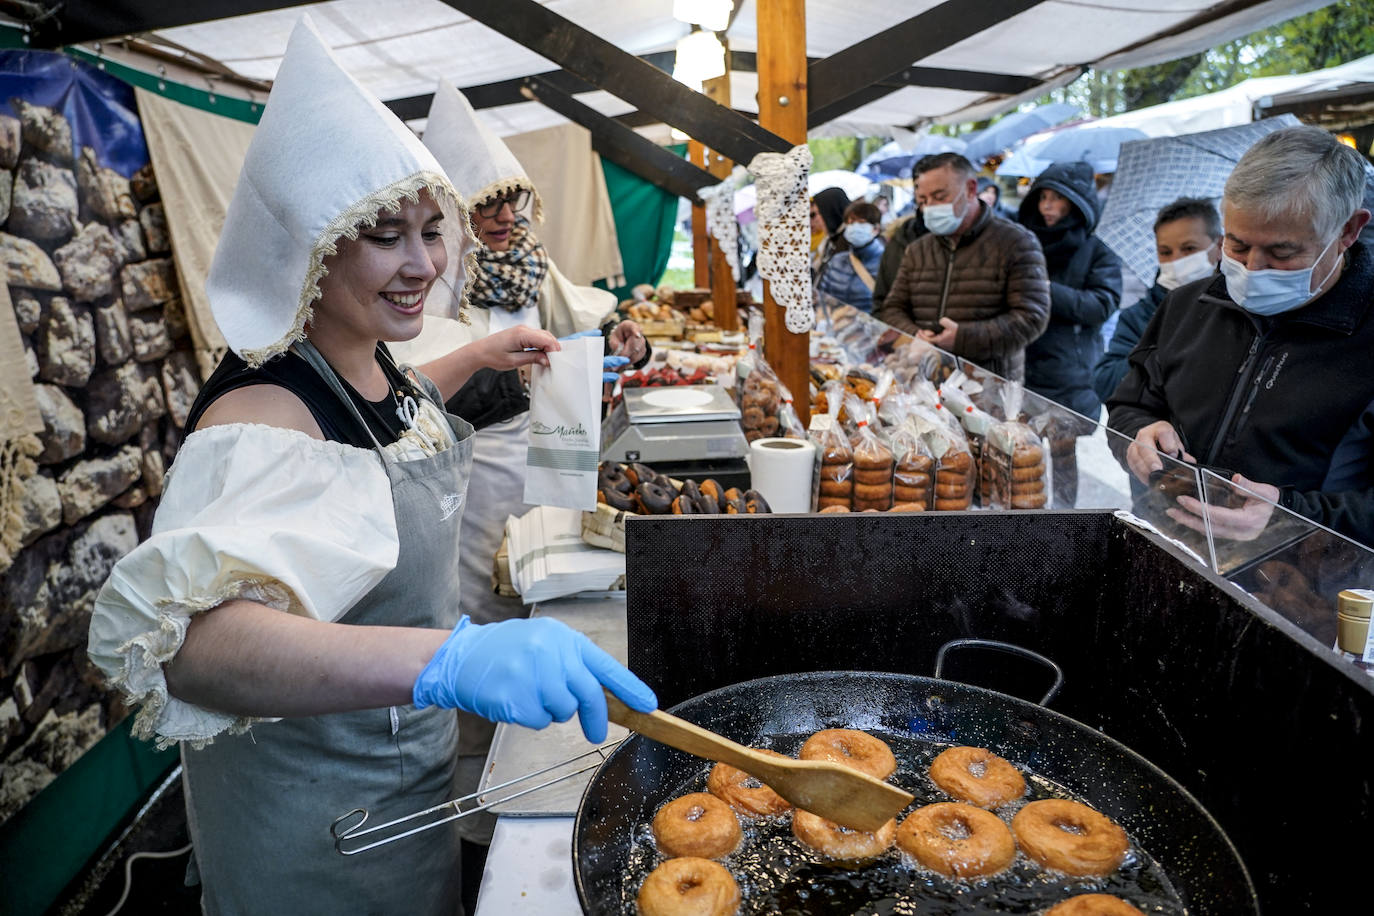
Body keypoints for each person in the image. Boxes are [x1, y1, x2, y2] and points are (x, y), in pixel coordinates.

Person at [85, 20, 656, 914]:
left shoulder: (362, 360)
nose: (424, 264)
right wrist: (448, 661)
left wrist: (479, 356)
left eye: (434, 232)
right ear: (313, 246)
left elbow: (369, 435)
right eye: (387, 236)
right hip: (316, 834)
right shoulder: (261, 413)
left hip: (398, 791)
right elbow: (198, 648)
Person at [386, 79, 647, 888]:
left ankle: (546, 758)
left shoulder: (532, 266)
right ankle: (477, 804)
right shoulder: (433, 282)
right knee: (477, 610)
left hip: (540, 454)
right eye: (486, 209)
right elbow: (409, 387)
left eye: (512, 206)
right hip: (467, 472)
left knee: (545, 585)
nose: (503, 221)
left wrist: (619, 337)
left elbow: (581, 320)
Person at [1108, 125, 1374, 546]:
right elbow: (1128, 405)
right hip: (1165, 547)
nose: (1252, 268)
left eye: (1282, 253)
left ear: (1347, 231)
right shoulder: (1186, 304)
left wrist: (1288, 516)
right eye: (1236, 246)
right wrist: (1137, 435)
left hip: (1304, 590)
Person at [875, 152, 1050, 380]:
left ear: (970, 189)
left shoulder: (1016, 242)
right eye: (924, 200)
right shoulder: (918, 249)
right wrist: (914, 334)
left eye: (939, 196)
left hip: (986, 387)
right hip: (923, 380)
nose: (930, 208)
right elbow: (893, 307)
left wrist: (963, 338)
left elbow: (1032, 318)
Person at [1018, 161, 1123, 420]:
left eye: (1056, 198)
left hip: (1070, 376)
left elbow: (1102, 304)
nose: (1046, 206)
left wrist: (1045, 289)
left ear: (1076, 202)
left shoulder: (1098, 247)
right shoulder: (1026, 241)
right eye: (1042, 197)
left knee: (1062, 453)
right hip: (1022, 366)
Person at [1092, 198, 1221, 405]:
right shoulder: (1139, 316)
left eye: (1189, 249)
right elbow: (1106, 383)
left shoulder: (1239, 310)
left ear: (1219, 246)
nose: (1176, 261)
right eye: (1165, 252)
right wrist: (1163, 344)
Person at [816, 200, 886, 311]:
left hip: (870, 326)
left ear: (876, 229)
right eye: (851, 222)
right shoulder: (836, 261)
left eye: (861, 222)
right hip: (836, 323)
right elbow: (821, 296)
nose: (855, 227)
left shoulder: (886, 263)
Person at [810, 186, 851, 277]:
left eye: (818, 213)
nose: (816, 220)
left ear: (832, 211)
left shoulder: (849, 241)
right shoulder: (832, 239)